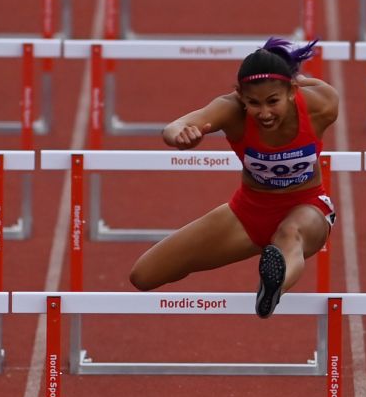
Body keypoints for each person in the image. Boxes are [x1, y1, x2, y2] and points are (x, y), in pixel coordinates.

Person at [128, 38, 338, 318]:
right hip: (247, 214)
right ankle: (273, 268)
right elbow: (177, 124)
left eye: (272, 101)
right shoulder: (230, 109)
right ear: (240, 96)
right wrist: (180, 136)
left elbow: (303, 83)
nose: (264, 113)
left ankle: (272, 287)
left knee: (290, 234)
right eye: (253, 103)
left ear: (291, 92)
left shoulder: (321, 105)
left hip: (308, 207)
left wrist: (286, 71)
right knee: (143, 275)